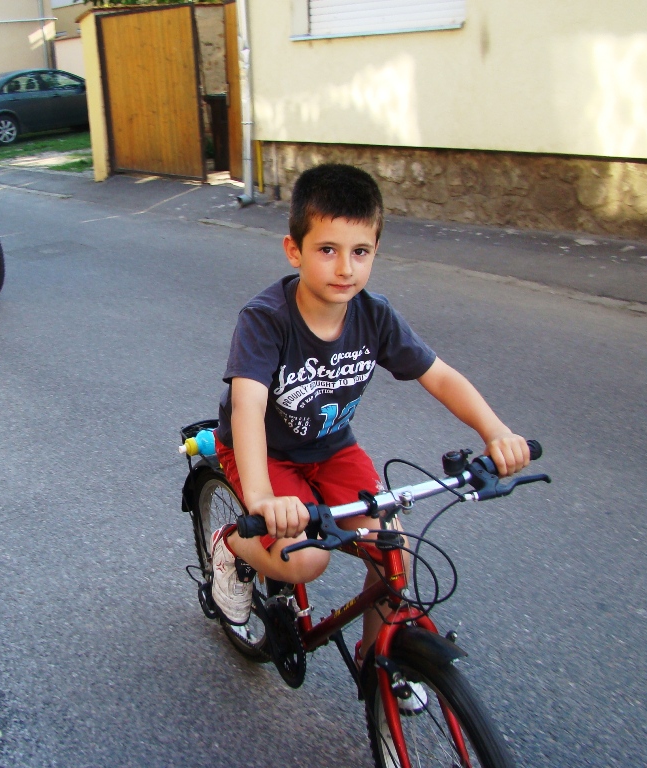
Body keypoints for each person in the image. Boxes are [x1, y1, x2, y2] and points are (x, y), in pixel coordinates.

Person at [210, 163, 530, 679]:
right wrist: (262, 497)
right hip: (266, 453)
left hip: (333, 447)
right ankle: (230, 546)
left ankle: (379, 662)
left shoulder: (375, 315)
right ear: (294, 251)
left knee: (391, 547)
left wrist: (495, 432)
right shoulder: (266, 319)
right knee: (307, 559)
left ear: (376, 251)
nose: (345, 268)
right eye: (327, 249)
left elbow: (440, 376)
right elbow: (247, 405)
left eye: (360, 252)